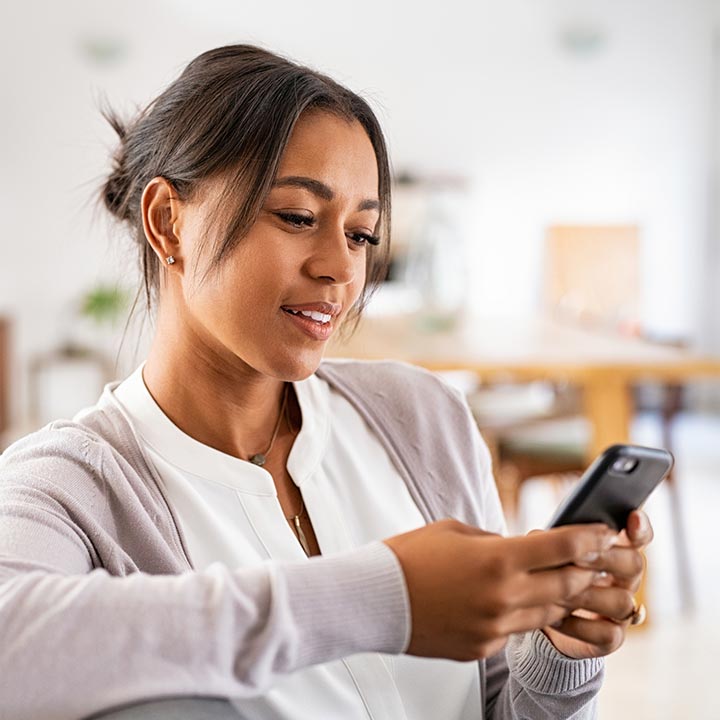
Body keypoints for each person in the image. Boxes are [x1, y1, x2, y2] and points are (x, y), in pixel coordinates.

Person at [0, 44, 652, 720]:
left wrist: (557, 656)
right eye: (297, 217)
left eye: (363, 235)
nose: (341, 268)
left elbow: (497, 706)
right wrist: (384, 598)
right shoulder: (69, 485)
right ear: (168, 221)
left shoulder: (423, 417)